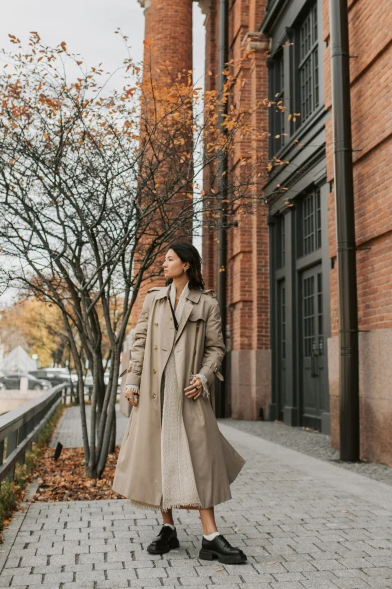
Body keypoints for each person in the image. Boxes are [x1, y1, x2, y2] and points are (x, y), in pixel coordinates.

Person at [113, 241, 247, 565]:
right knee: (160, 457)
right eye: (164, 259)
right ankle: (167, 528)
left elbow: (216, 349)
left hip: (188, 390)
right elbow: (140, 341)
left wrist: (203, 377)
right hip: (154, 389)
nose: (164, 264)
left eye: (170, 259)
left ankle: (210, 536)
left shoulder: (207, 304)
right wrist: (131, 380)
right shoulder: (153, 300)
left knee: (199, 459)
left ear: (186, 264)